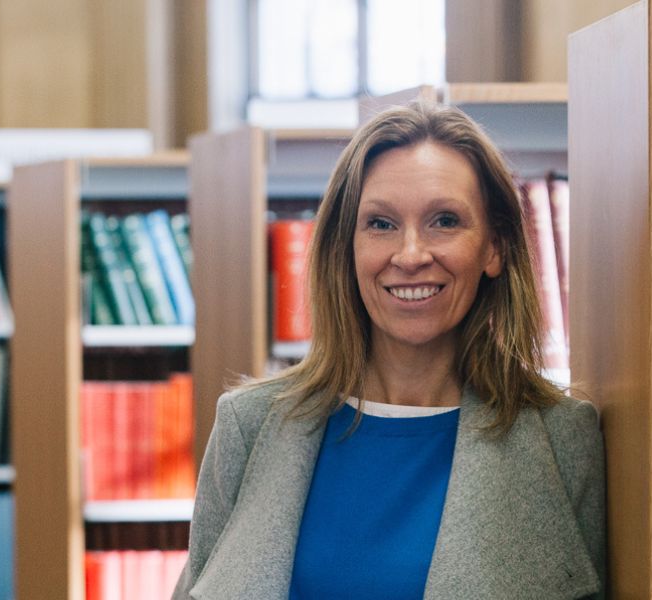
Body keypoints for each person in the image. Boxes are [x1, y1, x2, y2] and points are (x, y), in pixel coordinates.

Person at [172, 102, 605, 599]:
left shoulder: (562, 441)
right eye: (381, 224)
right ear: (345, 246)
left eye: (444, 220)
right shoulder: (247, 426)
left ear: (495, 248)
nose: (411, 255)